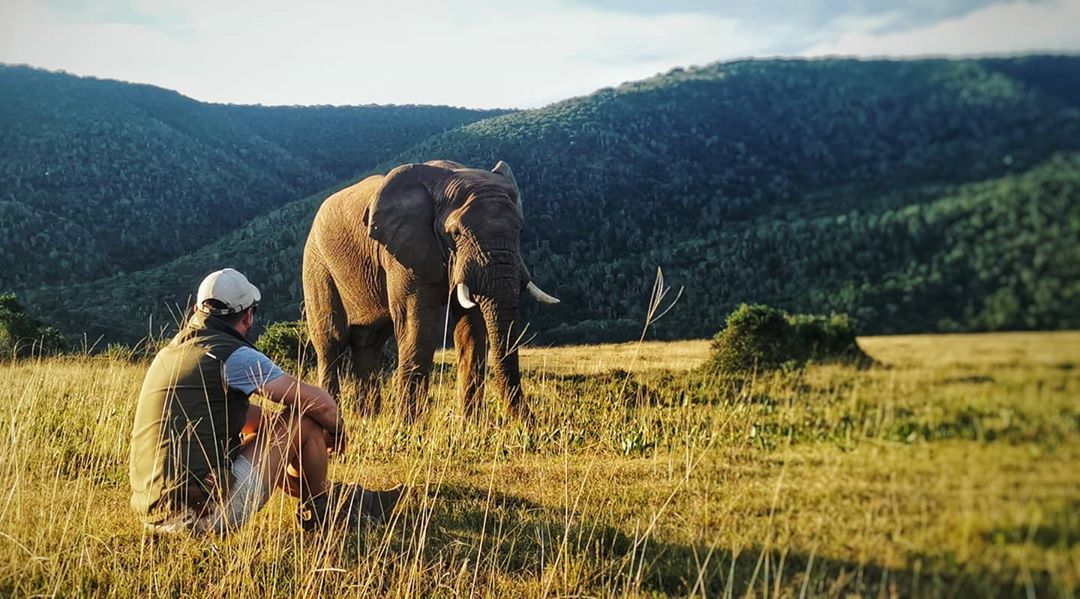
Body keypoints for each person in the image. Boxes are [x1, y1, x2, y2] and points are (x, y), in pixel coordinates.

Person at [128, 268, 402, 535]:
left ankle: (337, 497)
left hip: (156, 515)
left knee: (278, 430)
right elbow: (321, 404)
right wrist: (336, 432)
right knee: (303, 419)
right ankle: (325, 512)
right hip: (202, 512)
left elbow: (250, 420)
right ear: (247, 317)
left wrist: (290, 441)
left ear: (196, 312)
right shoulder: (231, 355)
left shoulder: (172, 353)